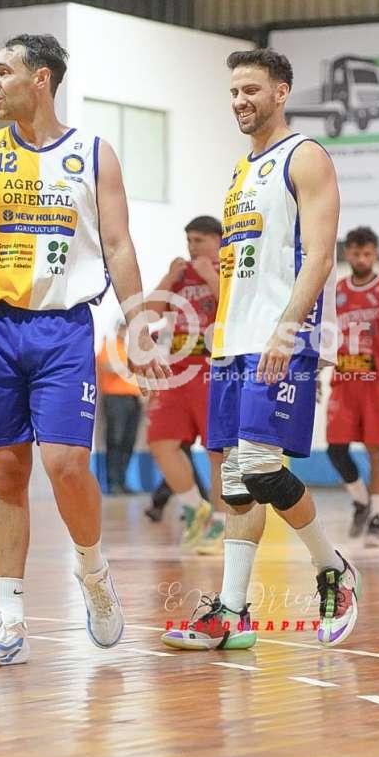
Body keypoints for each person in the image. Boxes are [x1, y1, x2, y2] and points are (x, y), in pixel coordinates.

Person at [0, 33, 166, 668]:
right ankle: (9, 623)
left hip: (62, 328)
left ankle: (93, 569)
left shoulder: (93, 153)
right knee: (4, 470)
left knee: (66, 465)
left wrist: (138, 320)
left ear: (41, 80)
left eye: (4, 71)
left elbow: (118, 244)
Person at [162, 48, 359, 652]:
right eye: (233, 92)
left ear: (281, 92)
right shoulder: (242, 172)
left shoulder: (306, 156)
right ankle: (232, 612)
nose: (240, 101)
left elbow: (320, 255)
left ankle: (333, 570)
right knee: (236, 481)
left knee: (260, 466)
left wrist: (287, 328)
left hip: (282, 334)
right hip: (233, 339)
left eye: (251, 89)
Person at [324, 226, 379, 548]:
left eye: (367, 253)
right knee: (335, 449)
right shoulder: (337, 290)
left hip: (378, 382)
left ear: (374, 254)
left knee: (377, 450)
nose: (361, 259)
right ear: (347, 253)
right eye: (355, 253)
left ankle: (376, 517)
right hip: (345, 381)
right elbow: (323, 338)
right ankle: (361, 500)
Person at [145, 215, 226, 554]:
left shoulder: (230, 269)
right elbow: (147, 315)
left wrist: (211, 277)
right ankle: (196, 508)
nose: (192, 247)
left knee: (217, 451)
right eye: (189, 240)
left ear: (218, 240)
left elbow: (236, 311)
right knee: (160, 440)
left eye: (199, 240)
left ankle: (221, 523)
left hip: (214, 370)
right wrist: (168, 277)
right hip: (177, 370)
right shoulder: (179, 276)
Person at [95, 322, 142, 496]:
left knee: (129, 440)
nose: (124, 330)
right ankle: (113, 482)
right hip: (115, 398)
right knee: (115, 440)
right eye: (121, 326)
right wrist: (127, 366)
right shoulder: (109, 346)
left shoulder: (127, 349)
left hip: (133, 399)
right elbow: (107, 366)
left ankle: (122, 482)